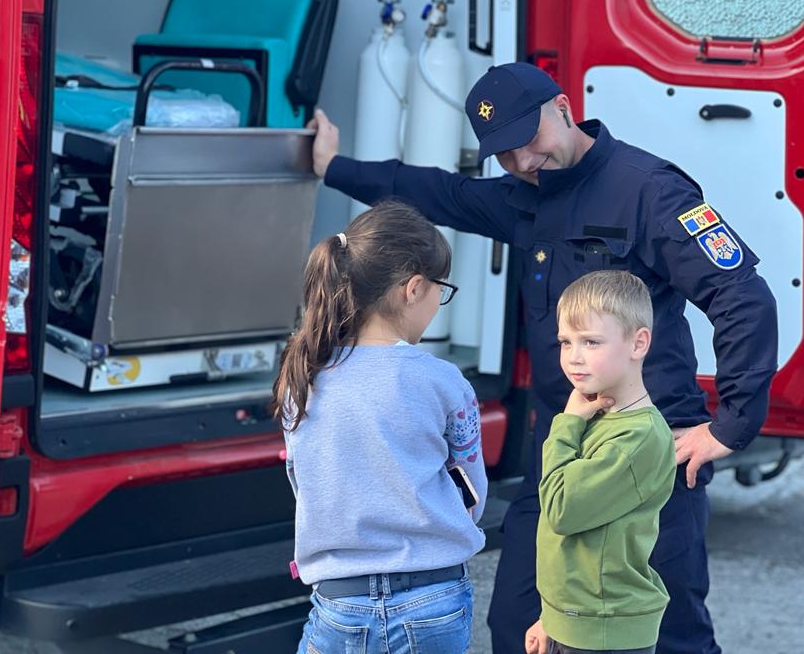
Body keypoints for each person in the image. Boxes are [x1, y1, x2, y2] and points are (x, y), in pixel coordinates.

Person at [309, 62, 779, 654]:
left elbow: (742, 297)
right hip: (561, 450)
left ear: (562, 106)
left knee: (668, 636)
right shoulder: (521, 197)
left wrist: (730, 427)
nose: (524, 161)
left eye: (529, 139)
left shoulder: (650, 191)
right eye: (505, 153)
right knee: (516, 626)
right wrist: (333, 167)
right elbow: (434, 191)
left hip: (647, 454)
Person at [275, 200, 488, 654]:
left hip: (339, 600)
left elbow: (304, 482)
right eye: (441, 289)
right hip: (433, 597)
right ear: (414, 288)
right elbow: (471, 492)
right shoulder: (442, 380)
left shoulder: (302, 375)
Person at [524, 270, 675, 654]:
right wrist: (552, 617)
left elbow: (561, 509)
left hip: (604, 633)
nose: (574, 357)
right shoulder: (598, 415)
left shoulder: (636, 438)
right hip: (577, 622)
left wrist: (566, 424)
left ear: (638, 343)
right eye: (565, 342)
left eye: (591, 341)